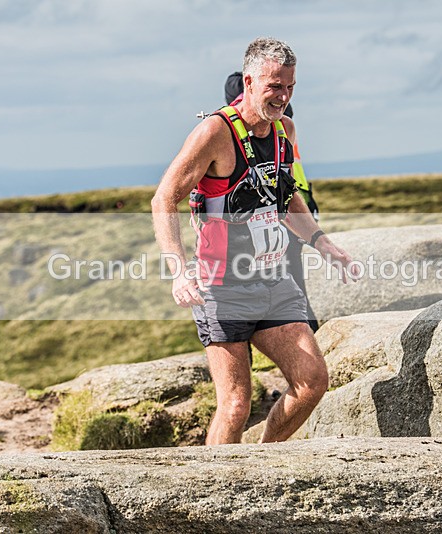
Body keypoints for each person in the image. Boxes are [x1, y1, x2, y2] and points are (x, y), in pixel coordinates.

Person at [152, 37, 356, 445]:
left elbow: (285, 195)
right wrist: (178, 270)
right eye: (274, 86)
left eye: (290, 87)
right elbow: (164, 198)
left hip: (274, 280)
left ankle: (263, 459)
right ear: (249, 81)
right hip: (222, 286)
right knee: (235, 405)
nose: (283, 96)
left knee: (311, 381)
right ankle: (210, 493)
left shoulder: (285, 130)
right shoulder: (215, 132)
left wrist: (321, 241)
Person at [224, 71, 320, 333]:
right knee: (288, 284)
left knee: (288, 284)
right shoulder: (241, 129)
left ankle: (304, 337)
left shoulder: (278, 125)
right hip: (294, 210)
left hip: (284, 216)